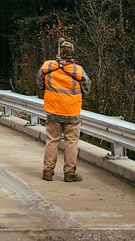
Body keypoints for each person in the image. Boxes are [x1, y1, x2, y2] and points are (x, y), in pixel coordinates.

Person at [38, 39, 91, 182]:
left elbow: (39, 83)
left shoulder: (47, 66)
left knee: (52, 141)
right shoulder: (77, 70)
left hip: (53, 110)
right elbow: (87, 88)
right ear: (72, 53)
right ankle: (69, 174)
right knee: (71, 142)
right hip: (72, 112)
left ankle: (48, 172)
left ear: (59, 51)